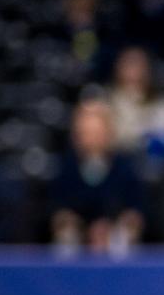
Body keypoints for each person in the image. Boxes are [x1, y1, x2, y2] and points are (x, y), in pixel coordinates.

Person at [49, 97, 147, 251]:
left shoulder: (125, 167)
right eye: (87, 132)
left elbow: (135, 211)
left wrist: (116, 230)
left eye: (97, 132)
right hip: (77, 243)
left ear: (109, 133)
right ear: (76, 135)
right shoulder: (66, 168)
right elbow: (58, 211)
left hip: (117, 243)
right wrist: (77, 229)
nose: (92, 139)